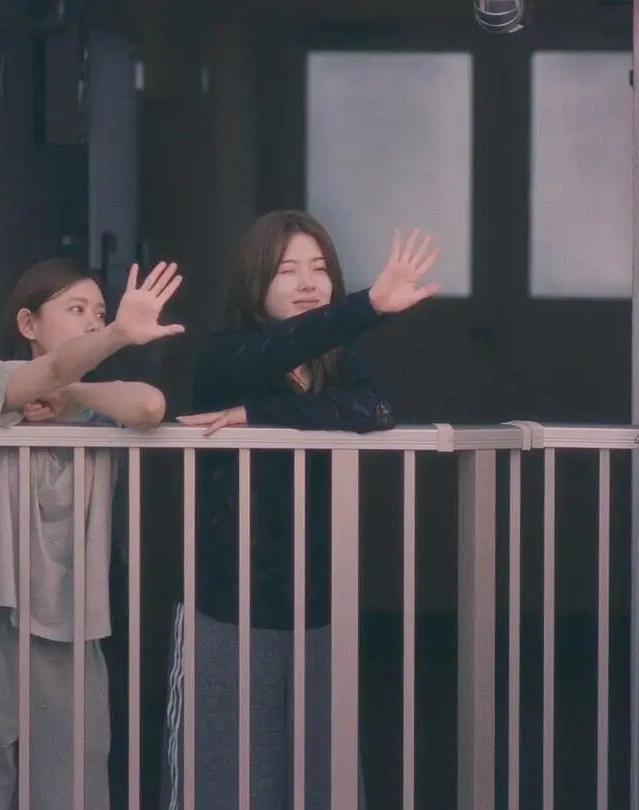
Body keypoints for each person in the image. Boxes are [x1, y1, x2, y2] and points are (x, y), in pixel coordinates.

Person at [162, 212, 439, 810]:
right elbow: (274, 352)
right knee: (227, 788)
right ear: (255, 283)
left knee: (323, 786)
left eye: (319, 269)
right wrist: (370, 305)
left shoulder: (337, 361)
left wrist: (261, 417)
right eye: (288, 270)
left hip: (317, 608)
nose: (309, 282)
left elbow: (376, 410)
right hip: (226, 610)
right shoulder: (226, 354)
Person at [0, 257, 184, 810]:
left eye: (101, 313)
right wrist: (114, 337)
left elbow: (150, 405)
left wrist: (76, 395)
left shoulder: (101, 411)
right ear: (29, 324)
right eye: (77, 309)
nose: (93, 321)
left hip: (71, 631)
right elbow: (54, 367)